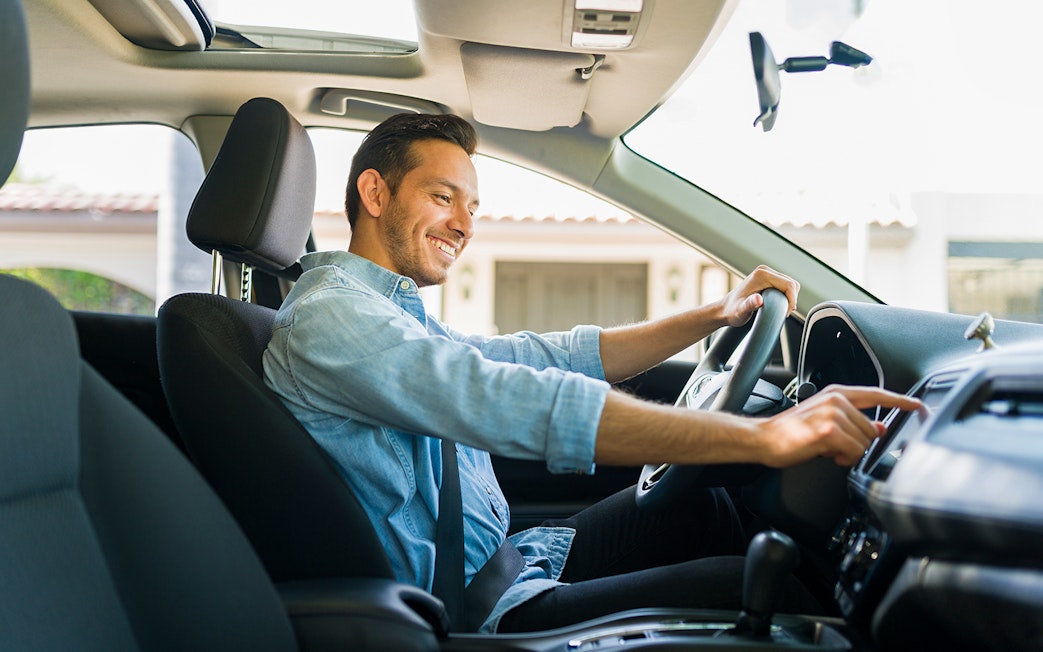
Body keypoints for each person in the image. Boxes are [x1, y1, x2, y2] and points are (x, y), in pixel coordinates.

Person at [261, 113, 920, 633]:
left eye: (473, 209)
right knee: (755, 587)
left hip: (510, 561)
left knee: (706, 509)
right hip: (475, 610)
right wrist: (763, 438)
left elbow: (539, 358)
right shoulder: (332, 319)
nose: (463, 225)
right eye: (443, 197)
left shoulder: (386, 313)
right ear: (374, 192)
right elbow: (503, 397)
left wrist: (713, 316)